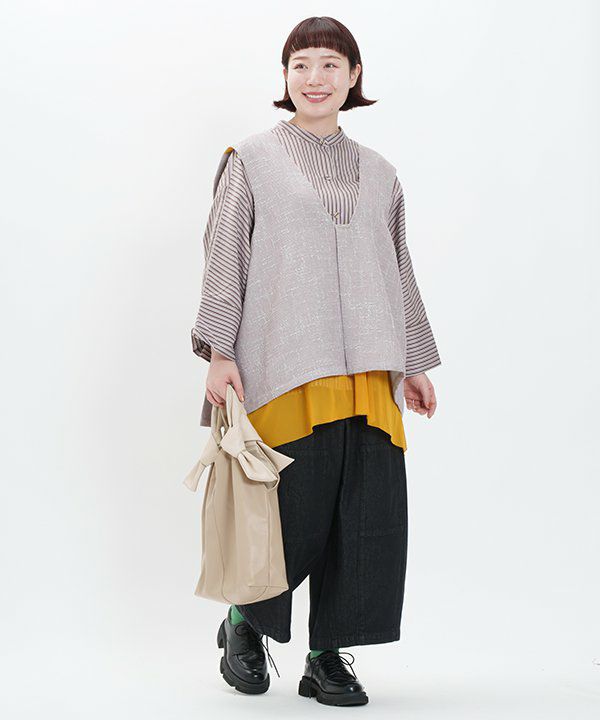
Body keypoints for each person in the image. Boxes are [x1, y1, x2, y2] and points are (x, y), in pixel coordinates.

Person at [191, 16, 441, 707]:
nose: (315, 78)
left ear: (354, 76)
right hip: (284, 364)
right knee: (286, 514)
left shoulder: (381, 173)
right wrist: (219, 351)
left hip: (369, 373)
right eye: (300, 65)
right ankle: (244, 624)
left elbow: (397, 268)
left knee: (364, 521)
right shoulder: (251, 159)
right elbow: (225, 257)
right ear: (285, 77)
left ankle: (327, 656)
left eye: (330, 64)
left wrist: (414, 361)